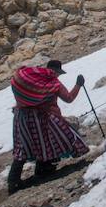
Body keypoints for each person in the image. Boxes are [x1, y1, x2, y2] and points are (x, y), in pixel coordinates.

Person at [8, 59, 89, 194]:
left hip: (21, 117)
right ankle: (43, 169)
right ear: (56, 72)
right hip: (42, 117)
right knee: (52, 140)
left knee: (23, 147)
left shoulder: (33, 79)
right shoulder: (53, 83)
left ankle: (13, 180)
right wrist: (78, 85)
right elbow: (68, 98)